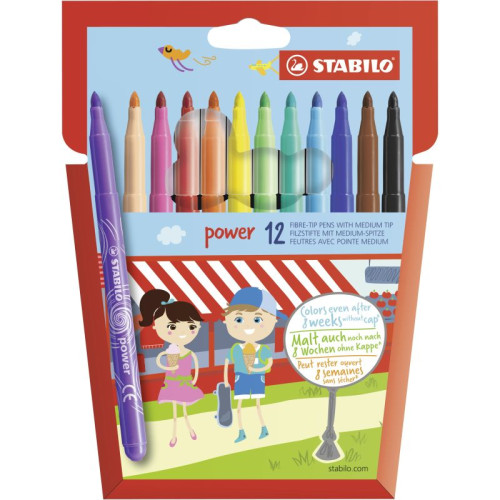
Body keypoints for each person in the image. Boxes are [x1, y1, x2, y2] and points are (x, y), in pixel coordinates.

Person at [139, 289, 204, 447]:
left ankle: (190, 429)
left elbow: (195, 366)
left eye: (191, 326)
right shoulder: (169, 351)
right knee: (175, 412)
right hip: (172, 383)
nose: (182, 332)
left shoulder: (189, 352)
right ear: (156, 327)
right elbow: (160, 362)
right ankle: (174, 435)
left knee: (185, 411)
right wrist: (168, 365)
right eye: (172, 327)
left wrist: (194, 380)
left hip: (185, 383)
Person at [222, 287, 287, 443]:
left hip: (257, 377)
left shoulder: (263, 349)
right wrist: (225, 381)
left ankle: (263, 429)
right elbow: (227, 363)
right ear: (227, 320)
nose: (249, 326)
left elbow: (269, 364)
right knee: (239, 407)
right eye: (239, 320)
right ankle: (241, 432)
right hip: (241, 377)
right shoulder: (236, 348)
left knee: (257, 405)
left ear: (273, 321)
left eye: (257, 320)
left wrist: (256, 368)